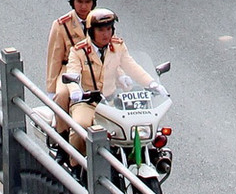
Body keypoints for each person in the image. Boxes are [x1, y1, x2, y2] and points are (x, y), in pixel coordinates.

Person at [63, 10, 165, 165]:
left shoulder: (118, 46)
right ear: (91, 31)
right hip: (88, 102)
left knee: (134, 126)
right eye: (101, 30)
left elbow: (132, 66)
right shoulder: (79, 51)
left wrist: (151, 84)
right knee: (80, 126)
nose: (106, 34)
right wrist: (76, 90)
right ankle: (77, 166)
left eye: (109, 29)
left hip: (111, 102)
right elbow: (72, 73)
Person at [46, 0, 98, 142]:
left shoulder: (101, 21)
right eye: (79, 1)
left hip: (95, 70)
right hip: (68, 70)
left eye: (87, 2)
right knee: (62, 95)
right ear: (73, 2)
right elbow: (54, 58)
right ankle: (62, 137)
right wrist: (51, 89)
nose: (83, 6)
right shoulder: (62, 24)